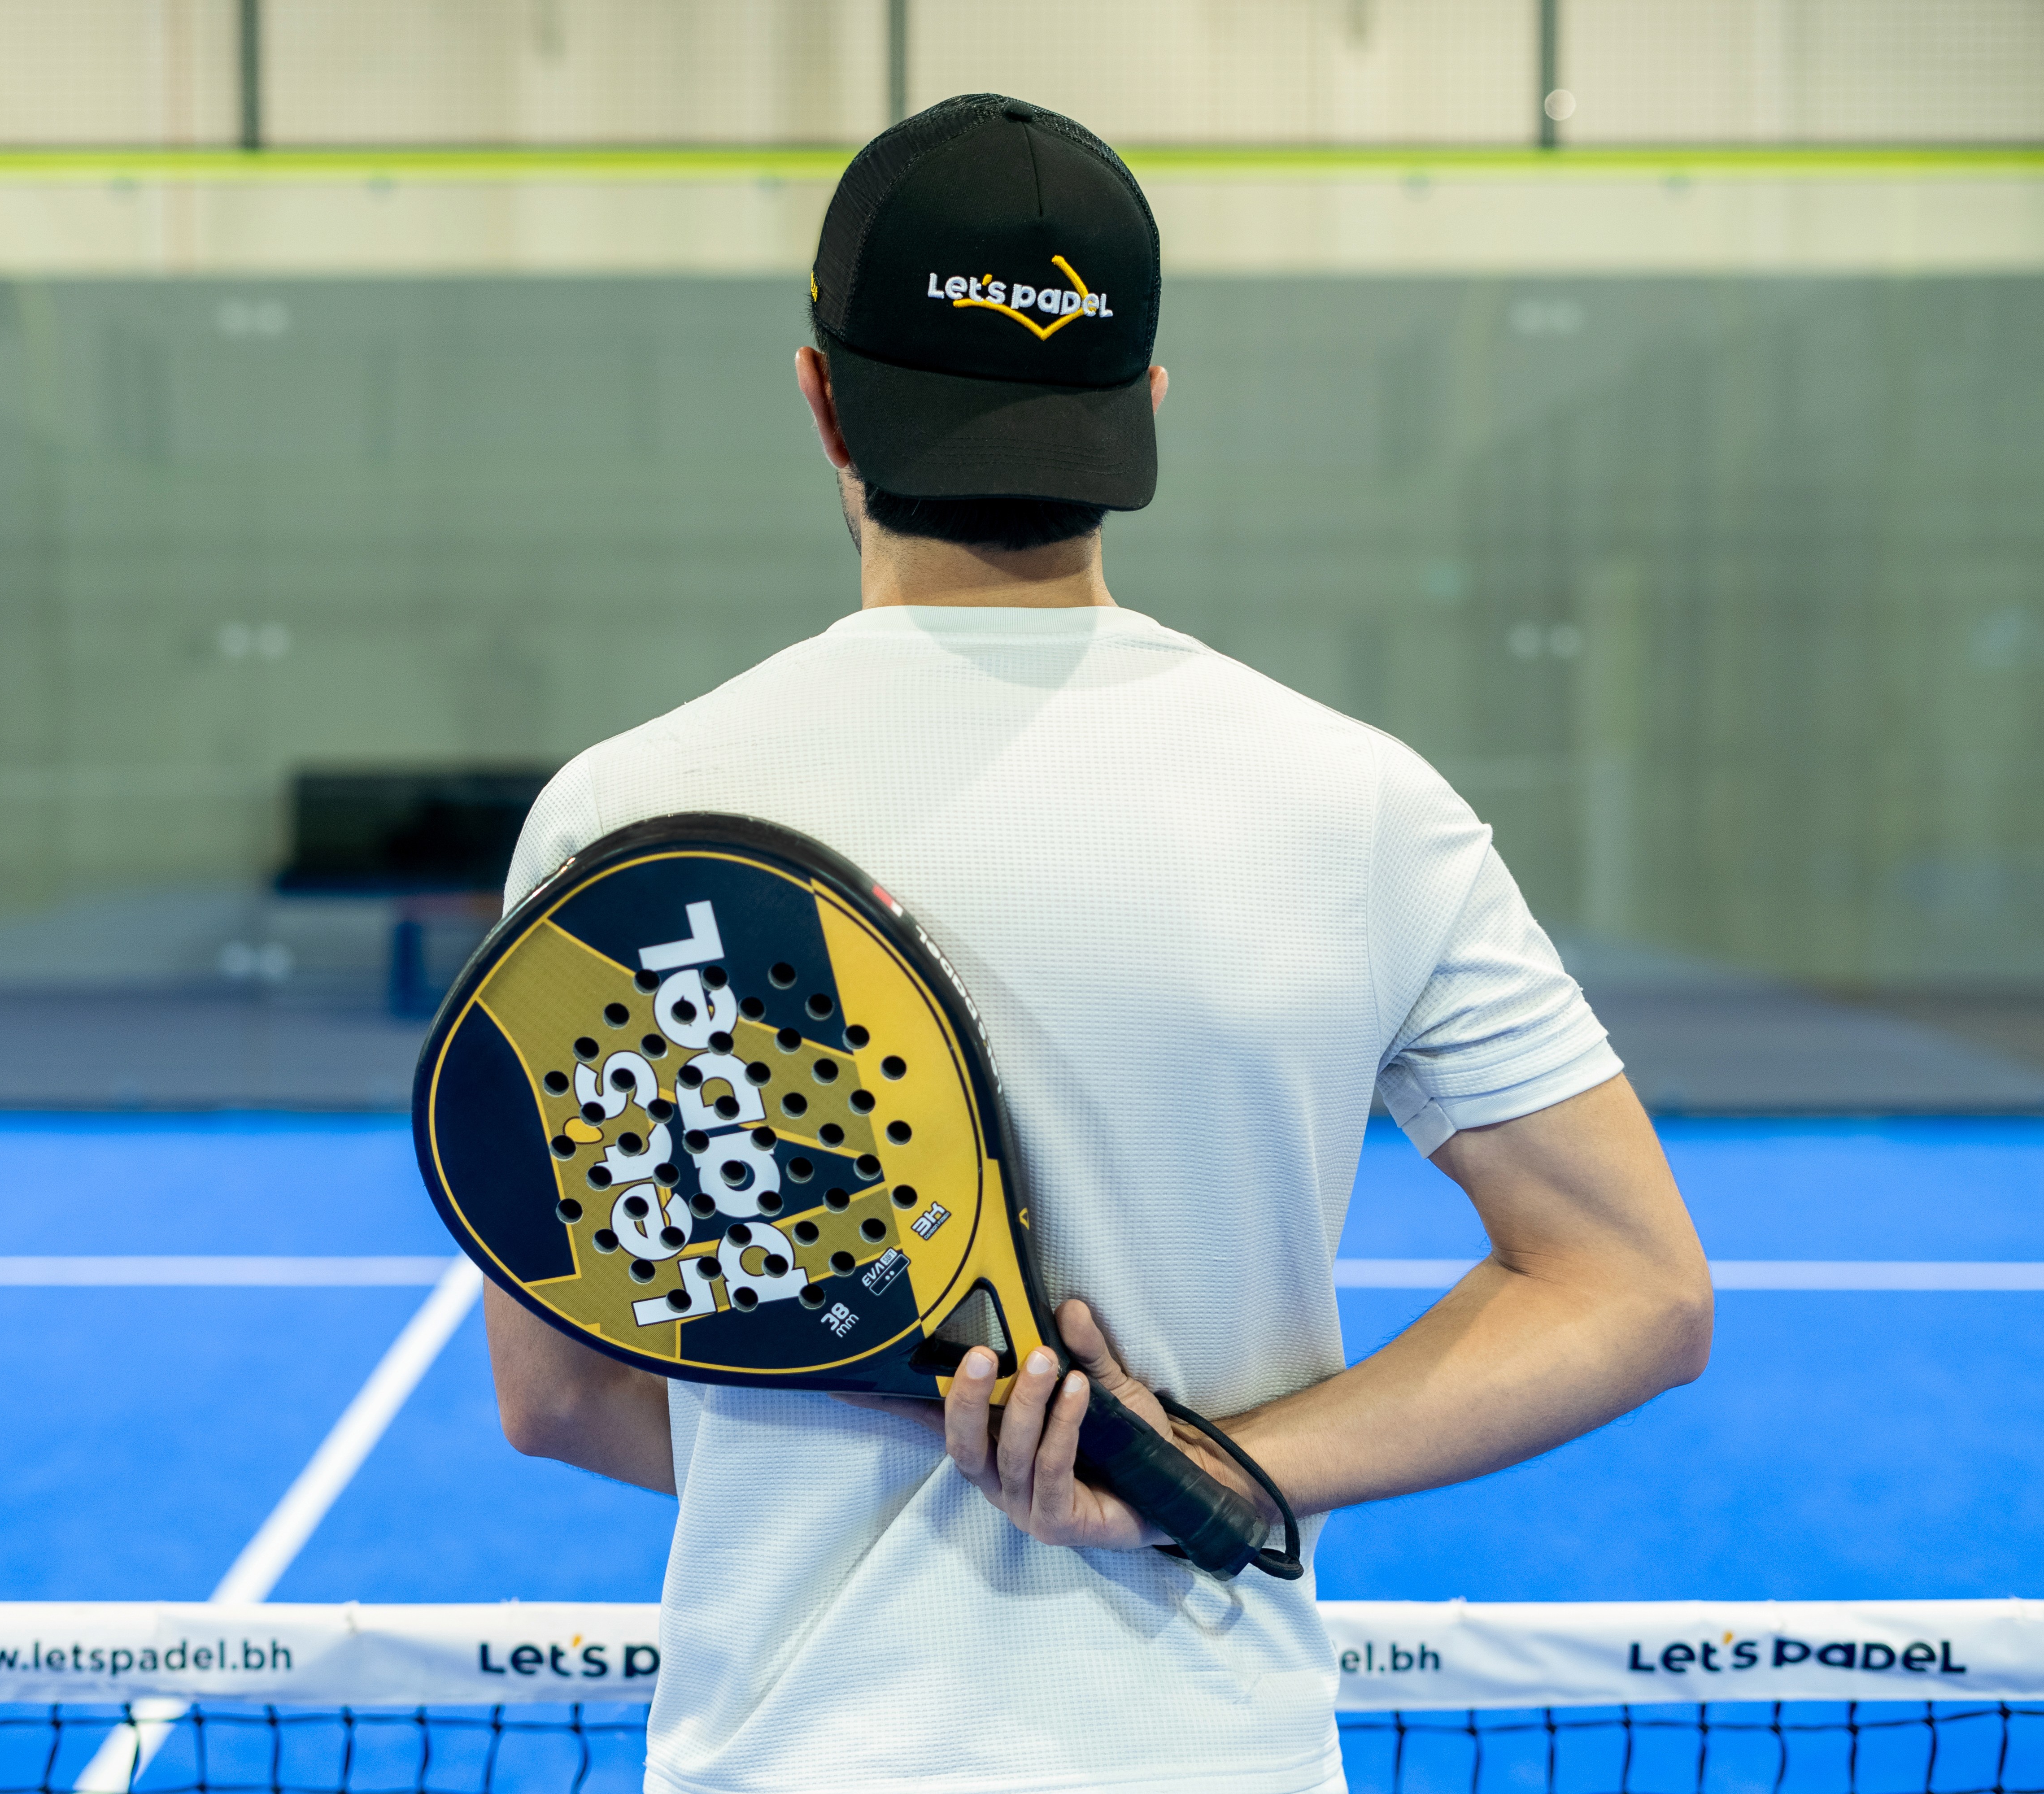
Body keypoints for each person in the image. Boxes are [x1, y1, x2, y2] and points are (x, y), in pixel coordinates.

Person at [484, 93, 1712, 1794]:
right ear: (1143, 406)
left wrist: (884, 1480)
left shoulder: (618, 820)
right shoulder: (1364, 806)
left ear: (822, 394)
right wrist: (1221, 1472)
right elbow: (1636, 1288)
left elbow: (555, 1397)